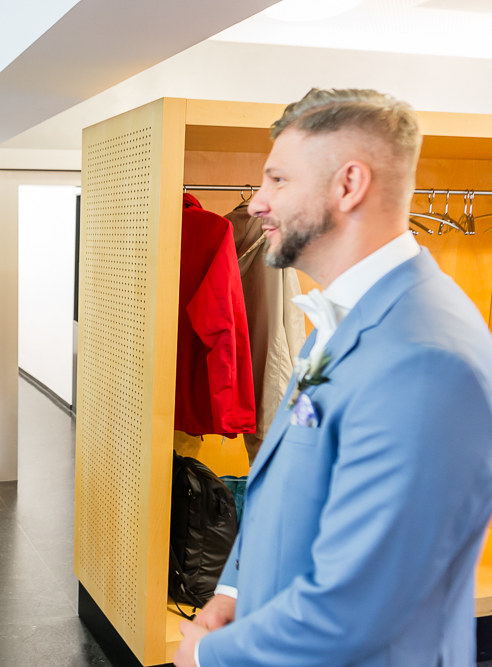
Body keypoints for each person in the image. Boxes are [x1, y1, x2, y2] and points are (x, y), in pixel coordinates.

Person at [174, 89, 492, 667]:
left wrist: (209, 656)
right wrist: (233, 590)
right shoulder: (341, 313)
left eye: (278, 181)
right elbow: (282, 482)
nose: (257, 204)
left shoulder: (427, 357)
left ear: (349, 185)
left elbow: (359, 611)